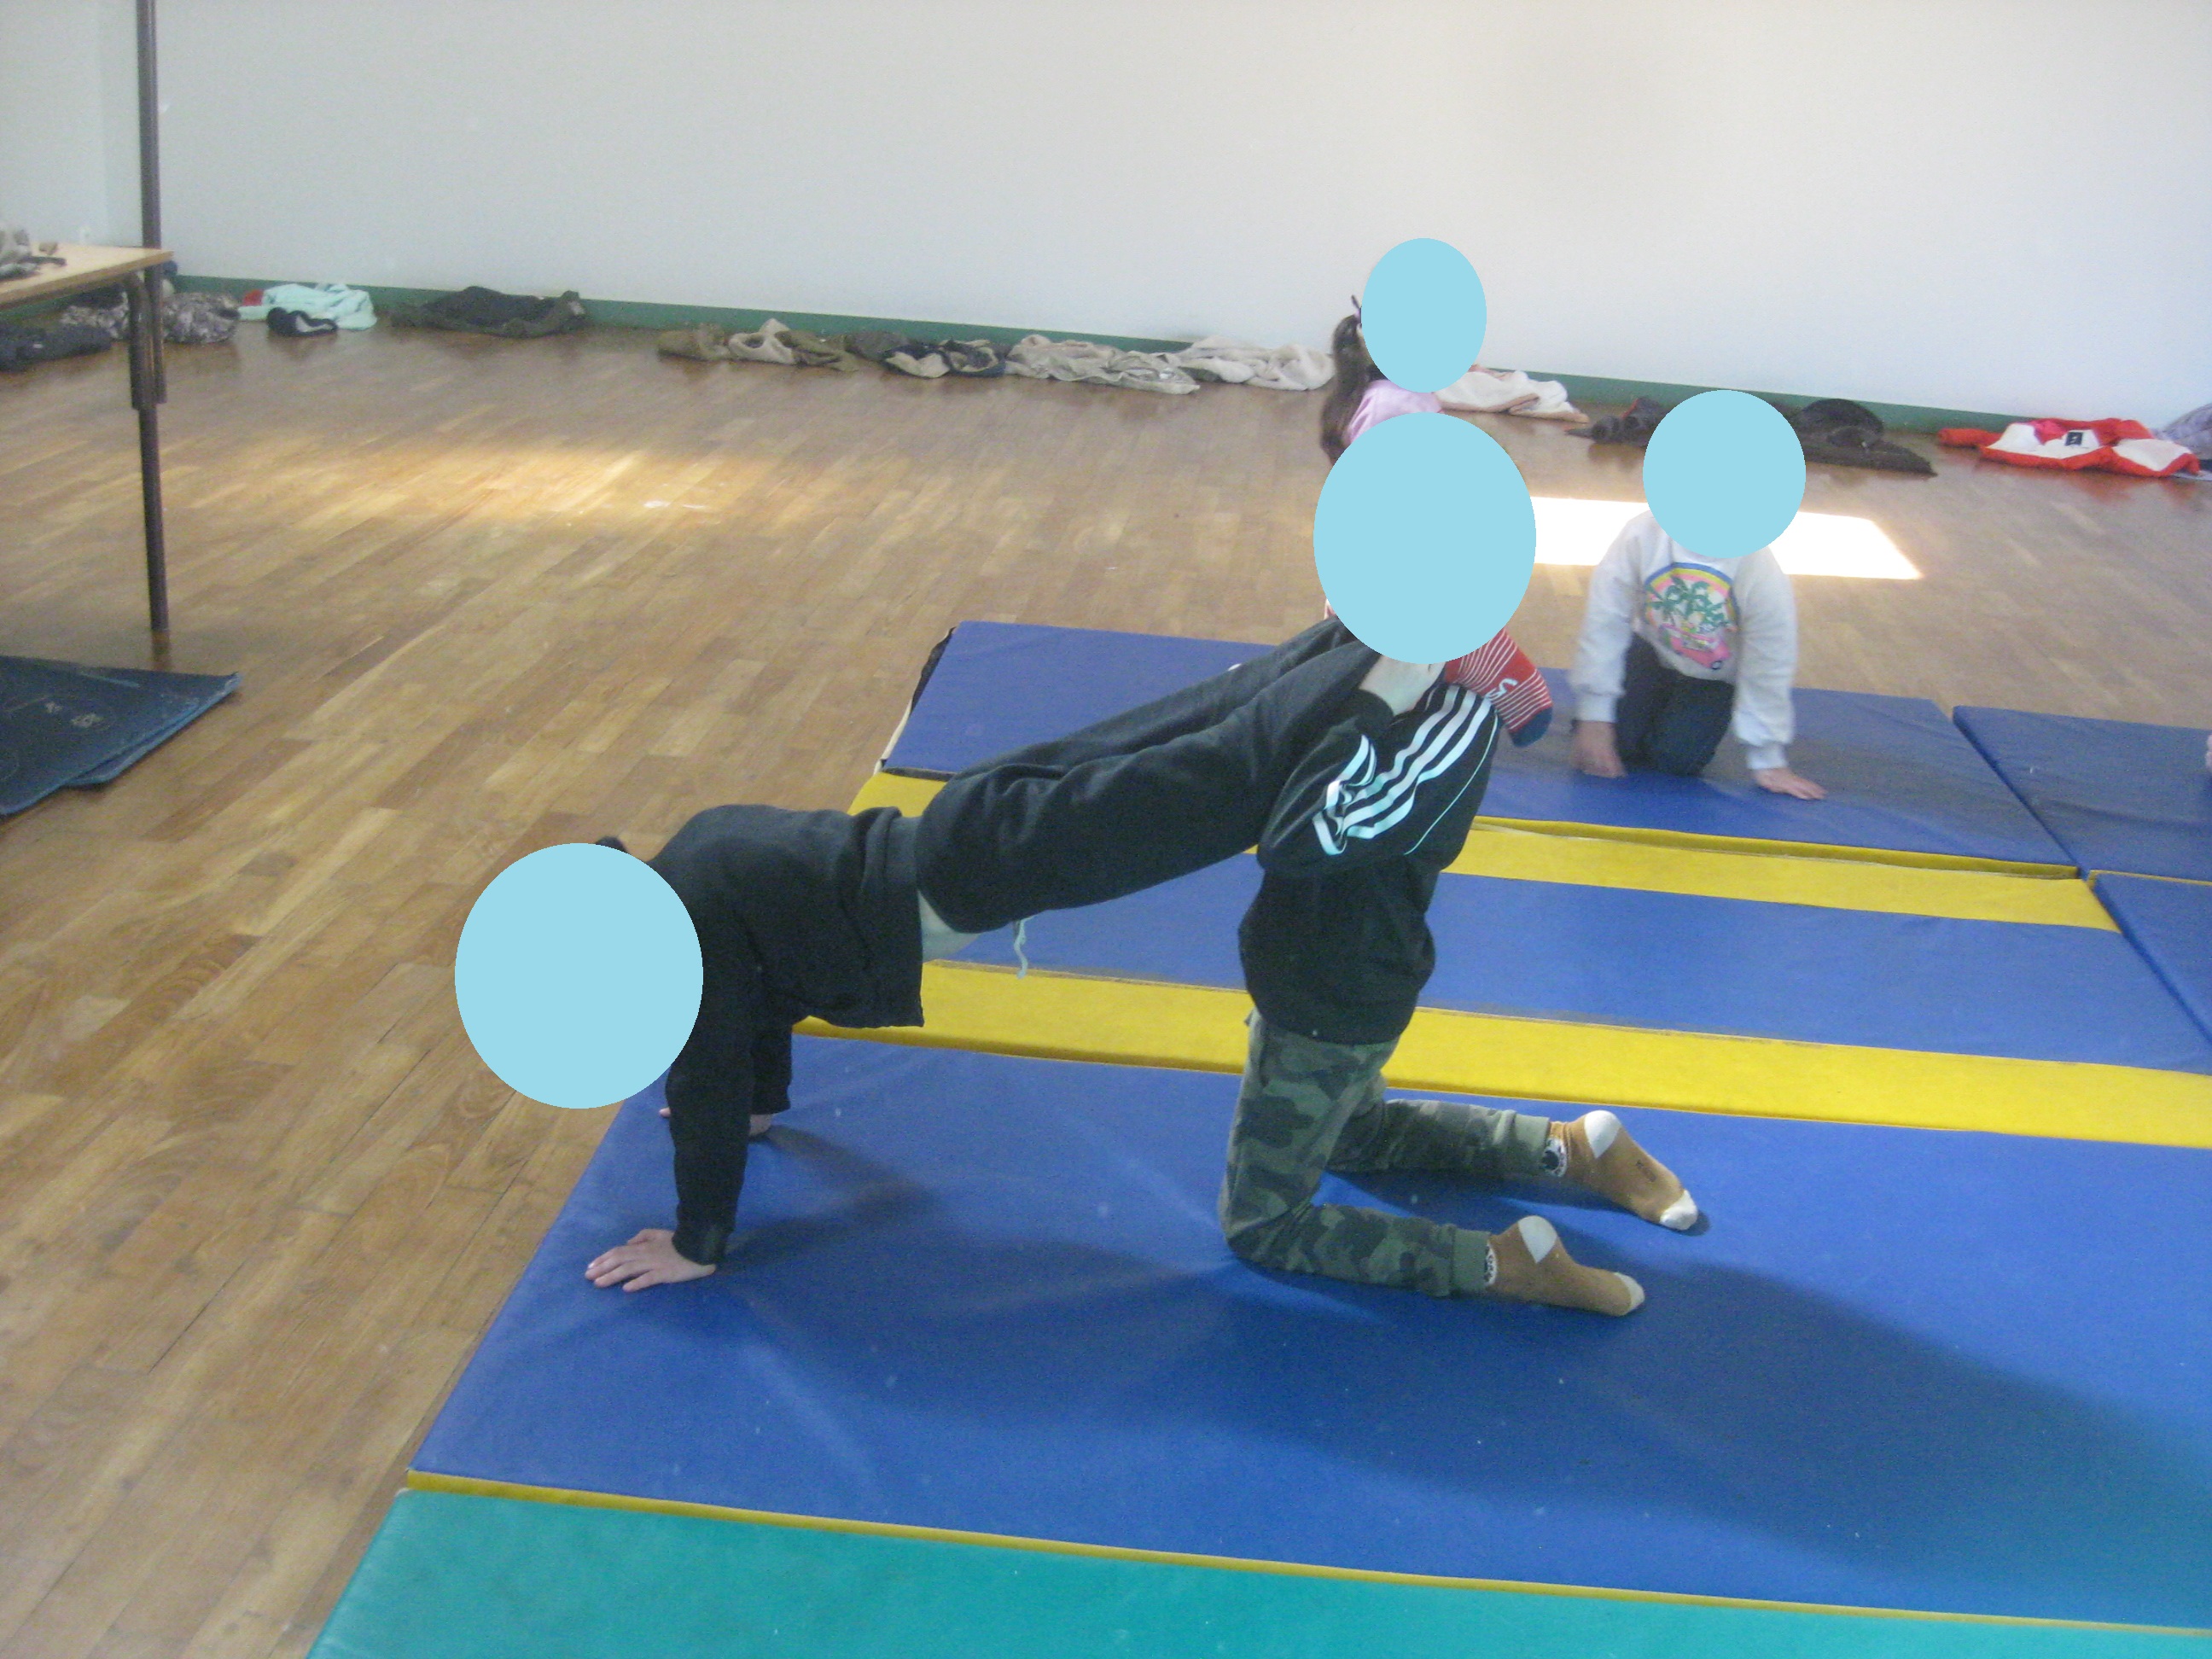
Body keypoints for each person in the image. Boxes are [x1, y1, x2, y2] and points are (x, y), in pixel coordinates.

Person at [587, 619, 1694, 1311]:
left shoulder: (689, 933)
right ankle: (1563, 1149)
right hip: (970, 821)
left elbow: (710, 1066)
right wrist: (761, 1109)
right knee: (1206, 734)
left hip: (985, 856)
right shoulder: (697, 855)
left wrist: (699, 1240)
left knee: (1220, 767)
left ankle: (1506, 1258)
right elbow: (747, 1022)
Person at [1567, 508, 1825, 798]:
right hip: (1650, 653)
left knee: (1676, 760)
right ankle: (1637, 711)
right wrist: (1595, 716)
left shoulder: (1757, 566)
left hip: (1711, 675)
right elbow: (1605, 619)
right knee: (1616, 744)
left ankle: (1668, 714)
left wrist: (1768, 758)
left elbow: (1769, 658)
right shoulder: (1641, 533)